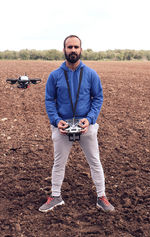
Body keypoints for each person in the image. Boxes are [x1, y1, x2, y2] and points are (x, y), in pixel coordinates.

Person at [39, 35, 114, 213]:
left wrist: (90, 119)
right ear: (64, 49)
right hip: (62, 127)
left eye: (76, 47)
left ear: (81, 49)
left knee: (95, 161)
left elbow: (98, 98)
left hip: (86, 126)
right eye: (69, 47)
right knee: (58, 163)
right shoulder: (54, 76)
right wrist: (57, 122)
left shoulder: (91, 74)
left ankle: (101, 197)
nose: (73, 50)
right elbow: (49, 100)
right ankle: (55, 196)